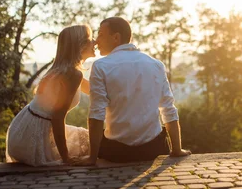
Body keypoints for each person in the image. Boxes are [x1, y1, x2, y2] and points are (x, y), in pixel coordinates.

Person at [77, 16, 191, 165]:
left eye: (101, 34)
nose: (97, 41)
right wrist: (177, 149)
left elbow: (96, 113)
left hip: (116, 151)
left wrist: (92, 158)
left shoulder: (101, 66)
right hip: (153, 149)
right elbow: (168, 108)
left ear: (116, 37)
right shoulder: (156, 65)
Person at [6, 25, 95, 166]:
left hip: (24, 128)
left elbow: (93, 89)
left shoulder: (66, 70)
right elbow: (58, 118)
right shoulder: (72, 74)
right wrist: (65, 157)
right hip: (34, 135)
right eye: (91, 39)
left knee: (90, 139)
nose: (95, 42)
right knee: (93, 143)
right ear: (80, 45)